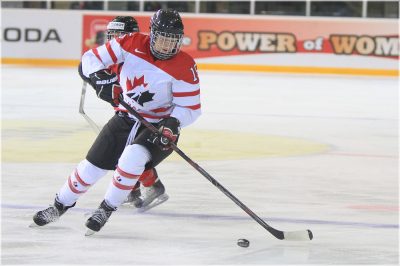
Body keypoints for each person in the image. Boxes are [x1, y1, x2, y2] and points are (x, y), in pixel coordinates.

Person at [32, 9, 201, 234]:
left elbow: (191, 108)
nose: (166, 46)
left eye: (172, 41)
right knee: (90, 166)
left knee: (133, 158)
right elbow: (90, 59)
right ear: (152, 34)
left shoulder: (185, 66)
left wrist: (172, 123)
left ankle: (106, 209)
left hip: (158, 126)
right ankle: (59, 205)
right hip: (125, 116)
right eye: (162, 39)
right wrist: (101, 79)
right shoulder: (131, 43)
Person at [103, 15, 169, 208]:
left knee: (128, 153)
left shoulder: (138, 60)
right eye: (112, 35)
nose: (115, 40)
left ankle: (152, 186)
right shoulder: (116, 58)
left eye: (119, 35)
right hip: (126, 115)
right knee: (123, 153)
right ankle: (133, 190)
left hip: (144, 117)